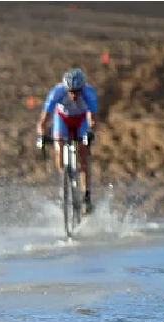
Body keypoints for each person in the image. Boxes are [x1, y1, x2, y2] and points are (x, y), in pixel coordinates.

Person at [36, 67, 98, 213]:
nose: (74, 95)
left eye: (77, 91)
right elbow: (43, 120)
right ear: (66, 88)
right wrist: (41, 137)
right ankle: (64, 183)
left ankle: (86, 194)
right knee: (59, 145)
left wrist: (90, 132)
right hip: (62, 120)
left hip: (81, 120)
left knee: (83, 153)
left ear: (82, 88)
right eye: (71, 91)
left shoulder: (89, 93)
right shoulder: (56, 92)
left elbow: (93, 119)